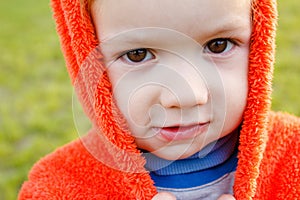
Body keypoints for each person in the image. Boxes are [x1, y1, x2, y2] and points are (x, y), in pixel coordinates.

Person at [18, 0, 299, 199]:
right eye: (138, 54)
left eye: (218, 45)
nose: (187, 96)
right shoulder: (56, 187)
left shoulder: (293, 156)